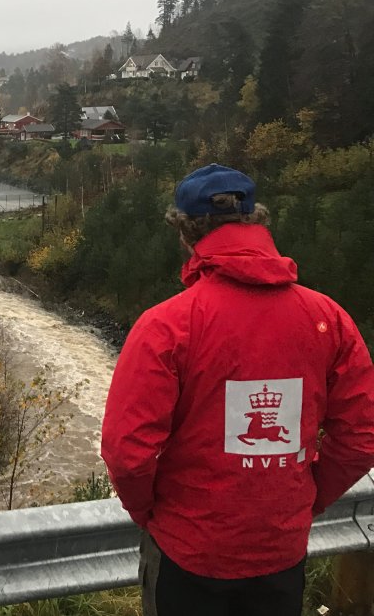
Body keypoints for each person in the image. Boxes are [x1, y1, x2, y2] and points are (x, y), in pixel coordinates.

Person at [100, 163, 374, 616]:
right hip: (281, 552)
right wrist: (306, 499)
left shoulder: (167, 325)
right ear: (257, 223)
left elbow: (126, 452)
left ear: (186, 236)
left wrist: (151, 514)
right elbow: (362, 436)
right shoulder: (328, 318)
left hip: (188, 552)